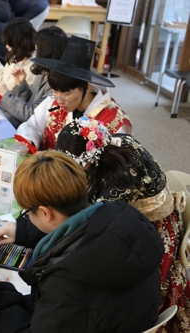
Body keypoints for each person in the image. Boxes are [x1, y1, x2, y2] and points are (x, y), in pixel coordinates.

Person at [0, 150, 163, 332]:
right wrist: (25, 231)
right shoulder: (122, 218)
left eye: (26, 214)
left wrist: (0, 297)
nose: (27, 218)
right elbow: (80, 230)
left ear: (45, 212)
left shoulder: (63, 284)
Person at [55, 118, 190, 332]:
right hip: (151, 215)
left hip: (154, 231)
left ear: (88, 160)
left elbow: (98, 226)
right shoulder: (117, 142)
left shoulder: (117, 181)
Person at [16, 36, 132, 151]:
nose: (59, 99)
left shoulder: (113, 119)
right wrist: (29, 141)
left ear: (87, 86)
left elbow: (116, 162)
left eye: (66, 93)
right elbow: (33, 126)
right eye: (55, 91)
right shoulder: (53, 102)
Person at [0, 26, 68, 129]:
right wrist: (22, 85)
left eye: (37, 48)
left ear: (45, 50)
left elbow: (32, 115)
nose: (35, 50)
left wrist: (6, 94)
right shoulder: (43, 72)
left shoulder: (57, 81)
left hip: (33, 130)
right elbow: (32, 102)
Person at [0, 18, 37, 99]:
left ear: (20, 43)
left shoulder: (33, 68)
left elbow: (16, 100)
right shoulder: (16, 56)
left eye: (10, 43)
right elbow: (4, 81)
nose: (7, 46)